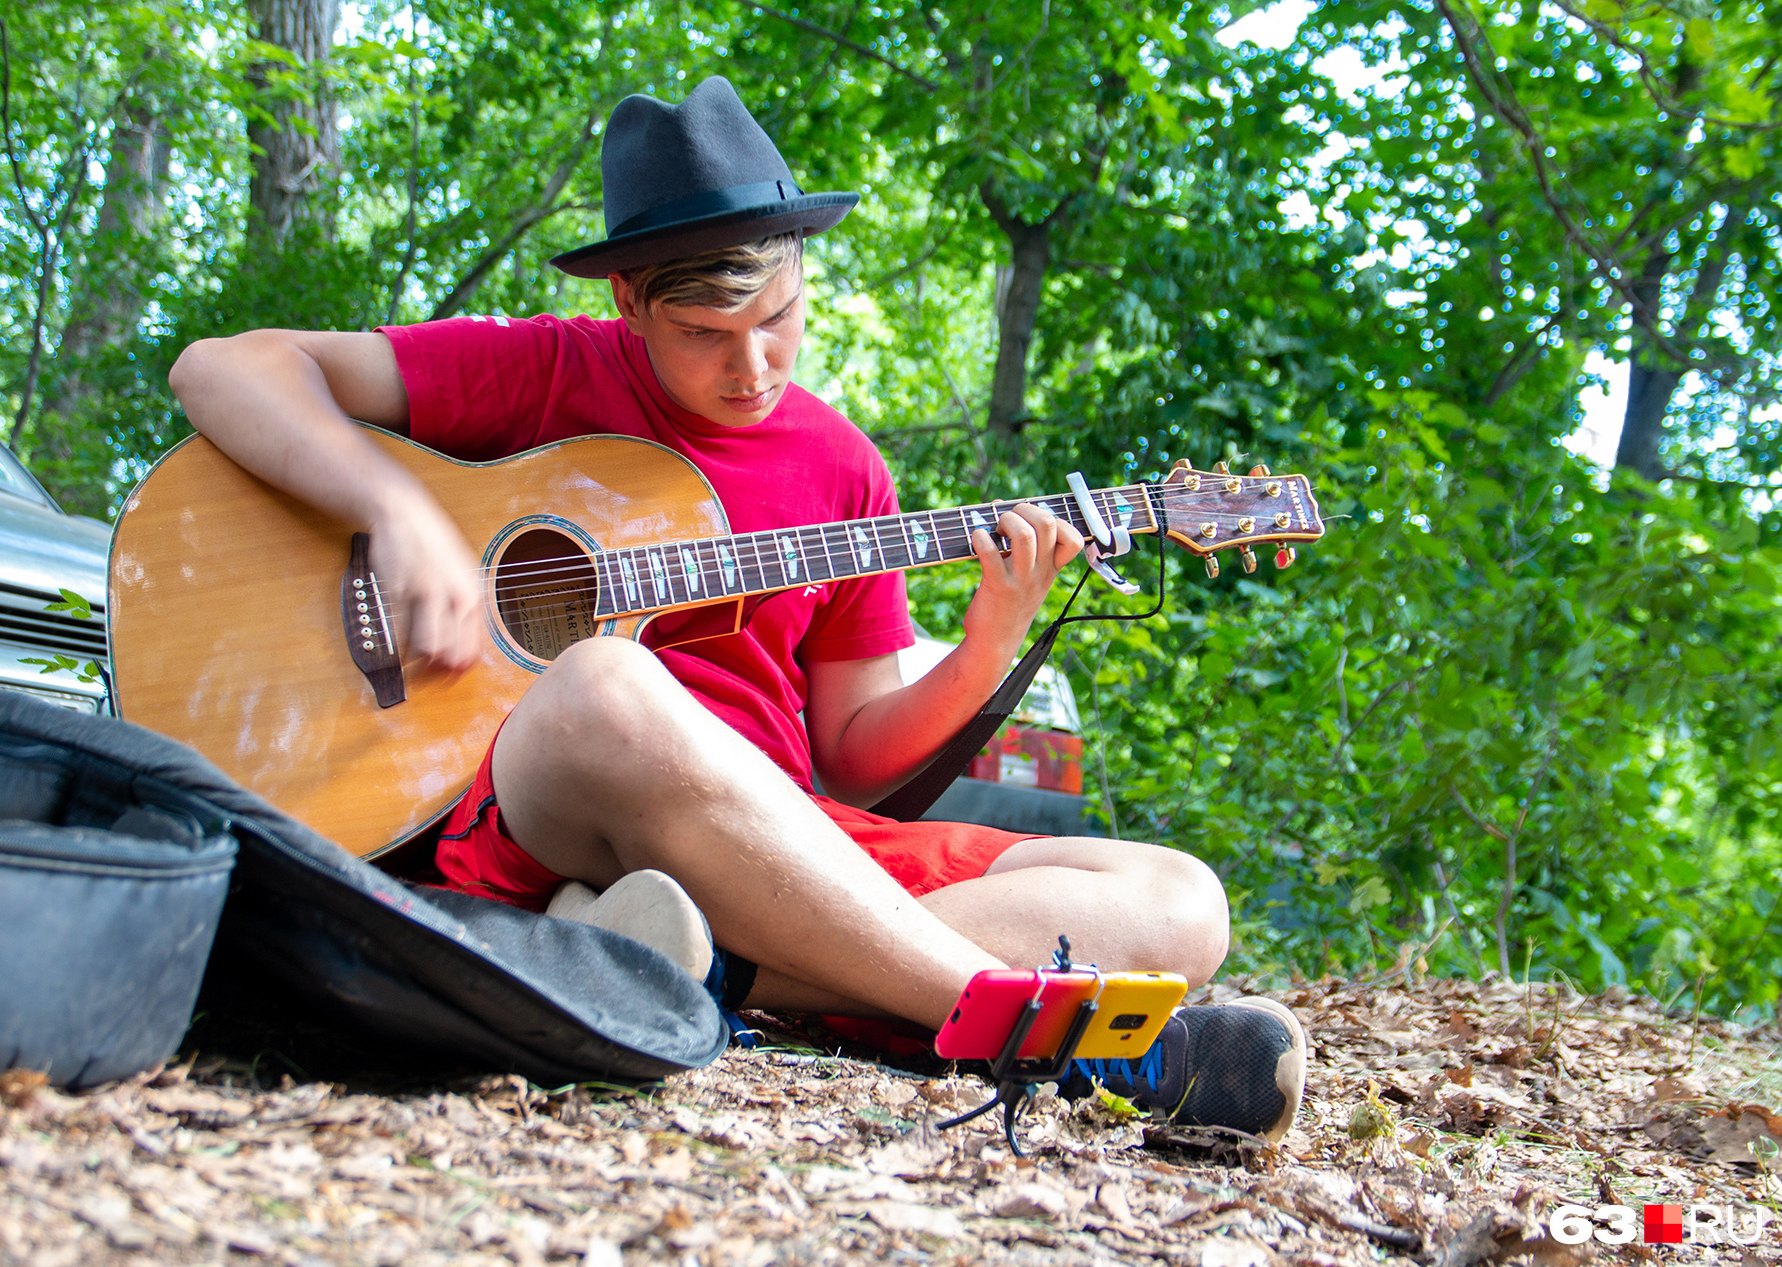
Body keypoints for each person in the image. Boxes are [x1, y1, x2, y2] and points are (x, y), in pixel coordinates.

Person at [167, 76, 1306, 1141]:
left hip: (777, 844)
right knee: (612, 683)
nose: (752, 365)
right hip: (541, 801)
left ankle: (692, 972)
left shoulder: (846, 469)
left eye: (778, 317)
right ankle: (1023, 1024)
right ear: (628, 298)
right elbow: (225, 367)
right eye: (704, 335)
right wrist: (396, 512)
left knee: (1178, 902)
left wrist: (982, 646)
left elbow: (852, 765)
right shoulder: (547, 374)